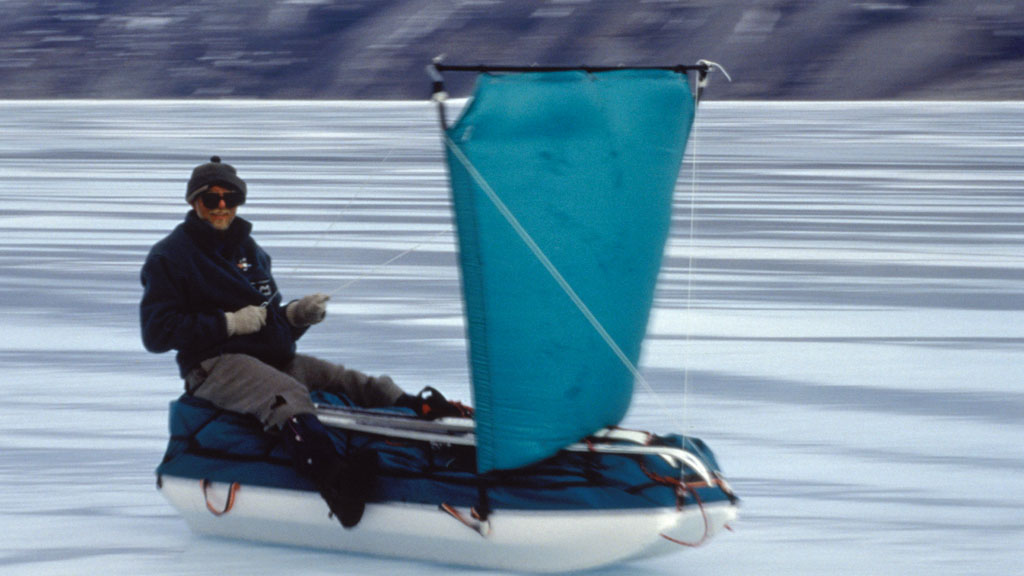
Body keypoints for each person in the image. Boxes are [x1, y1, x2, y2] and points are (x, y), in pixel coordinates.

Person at [140, 156, 467, 528]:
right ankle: (336, 484)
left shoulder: (251, 252)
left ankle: (422, 412)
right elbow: (156, 332)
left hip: (265, 357)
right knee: (287, 395)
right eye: (210, 199)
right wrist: (227, 323)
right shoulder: (170, 256)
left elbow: (270, 322)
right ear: (194, 202)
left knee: (347, 380)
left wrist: (295, 316)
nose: (221, 207)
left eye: (230, 198)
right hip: (213, 364)